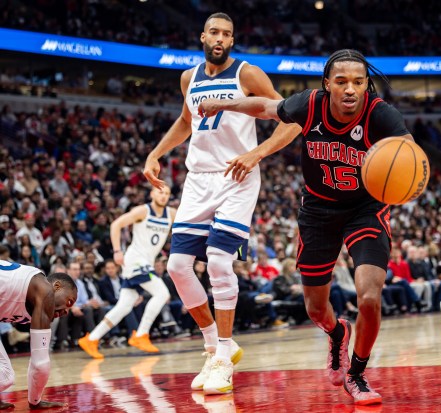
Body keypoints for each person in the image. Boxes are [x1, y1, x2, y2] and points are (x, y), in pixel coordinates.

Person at [197, 49, 413, 405]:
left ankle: (357, 374)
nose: (350, 89)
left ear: (366, 85)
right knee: (315, 308)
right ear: (327, 84)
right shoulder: (309, 104)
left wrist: (404, 164)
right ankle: (337, 332)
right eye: (341, 81)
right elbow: (265, 108)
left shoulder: (380, 113)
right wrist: (224, 104)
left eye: (358, 82)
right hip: (318, 212)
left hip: (365, 209)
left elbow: (408, 150)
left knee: (370, 295)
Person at [142, 12, 301, 395]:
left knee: (216, 259)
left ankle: (222, 357)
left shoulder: (248, 73)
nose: (220, 38)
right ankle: (216, 348)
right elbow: (186, 120)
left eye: (226, 34)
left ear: (232, 40)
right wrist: (156, 153)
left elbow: (292, 120)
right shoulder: (189, 78)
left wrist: (256, 154)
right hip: (198, 179)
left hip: (237, 176)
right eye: (214, 31)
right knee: (178, 266)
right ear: (202, 36)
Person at [78, 185, 176, 358]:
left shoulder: (172, 214)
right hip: (135, 260)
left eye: (167, 193)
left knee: (124, 306)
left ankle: (91, 339)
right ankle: (141, 334)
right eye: (160, 192)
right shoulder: (142, 211)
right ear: (152, 193)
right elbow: (116, 224)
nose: (164, 196)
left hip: (146, 262)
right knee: (162, 293)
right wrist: (117, 250)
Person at [0, 244, 77, 409]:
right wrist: (35, 401)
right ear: (56, 286)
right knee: (5, 377)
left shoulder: (35, 295)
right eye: (69, 301)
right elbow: (40, 364)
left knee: (4, 374)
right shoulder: (45, 290)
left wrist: (35, 401)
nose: (65, 311)